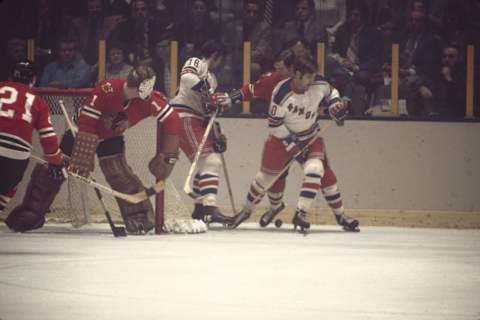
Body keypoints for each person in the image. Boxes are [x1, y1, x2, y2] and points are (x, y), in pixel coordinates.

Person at [10, 65, 180, 235]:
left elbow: (173, 118)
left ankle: (139, 217)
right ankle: (31, 213)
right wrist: (84, 153)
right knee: (53, 171)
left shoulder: (149, 100)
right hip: (80, 133)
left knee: (120, 175)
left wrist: (169, 154)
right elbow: (86, 121)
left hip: (110, 137)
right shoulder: (107, 88)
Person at [230, 56, 359, 233]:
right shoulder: (281, 93)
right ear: (297, 75)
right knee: (264, 179)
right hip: (282, 138)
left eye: (313, 77)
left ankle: (308, 213)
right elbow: (275, 126)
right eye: (308, 77)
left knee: (317, 169)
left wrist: (336, 105)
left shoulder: (318, 83)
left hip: (310, 136)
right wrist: (295, 147)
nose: (312, 81)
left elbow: (332, 93)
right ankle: (246, 211)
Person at [169, 40, 233, 226]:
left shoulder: (213, 79)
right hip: (184, 116)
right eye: (220, 59)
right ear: (215, 56)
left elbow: (208, 111)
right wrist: (211, 95)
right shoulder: (197, 62)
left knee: (203, 165)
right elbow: (187, 79)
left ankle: (199, 209)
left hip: (195, 119)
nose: (221, 64)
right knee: (211, 161)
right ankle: (209, 208)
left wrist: (215, 131)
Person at [1, 61, 66, 231]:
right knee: (6, 190)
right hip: (16, 155)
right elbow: (48, 136)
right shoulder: (37, 101)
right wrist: (56, 162)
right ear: (34, 80)